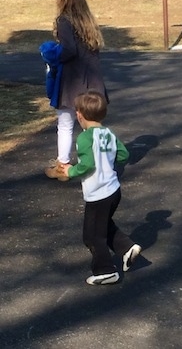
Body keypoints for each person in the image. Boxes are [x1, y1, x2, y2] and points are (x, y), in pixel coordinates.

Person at [61, 91, 141, 285]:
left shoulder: (85, 138)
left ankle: (105, 271)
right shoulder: (109, 133)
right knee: (103, 225)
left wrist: (70, 171)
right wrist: (107, 162)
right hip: (113, 190)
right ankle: (127, 247)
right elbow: (123, 156)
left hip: (98, 194)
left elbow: (87, 165)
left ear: (79, 115)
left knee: (92, 235)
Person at [45, 0, 107, 181]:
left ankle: (62, 166)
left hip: (72, 81)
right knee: (91, 124)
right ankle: (97, 162)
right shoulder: (88, 19)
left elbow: (69, 50)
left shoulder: (64, 20)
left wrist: (54, 58)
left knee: (65, 123)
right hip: (92, 80)